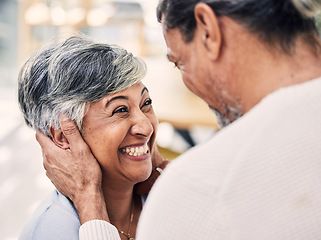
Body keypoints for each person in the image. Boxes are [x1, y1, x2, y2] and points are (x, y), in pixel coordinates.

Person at [36, 0, 321, 239]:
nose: (147, 127)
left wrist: (92, 206)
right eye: (120, 110)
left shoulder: (197, 191)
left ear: (208, 31)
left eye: (180, 62)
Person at [17, 35, 168, 240]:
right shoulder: (52, 231)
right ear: (64, 137)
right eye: (120, 110)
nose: (146, 127)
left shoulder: (164, 196)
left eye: (146, 103)